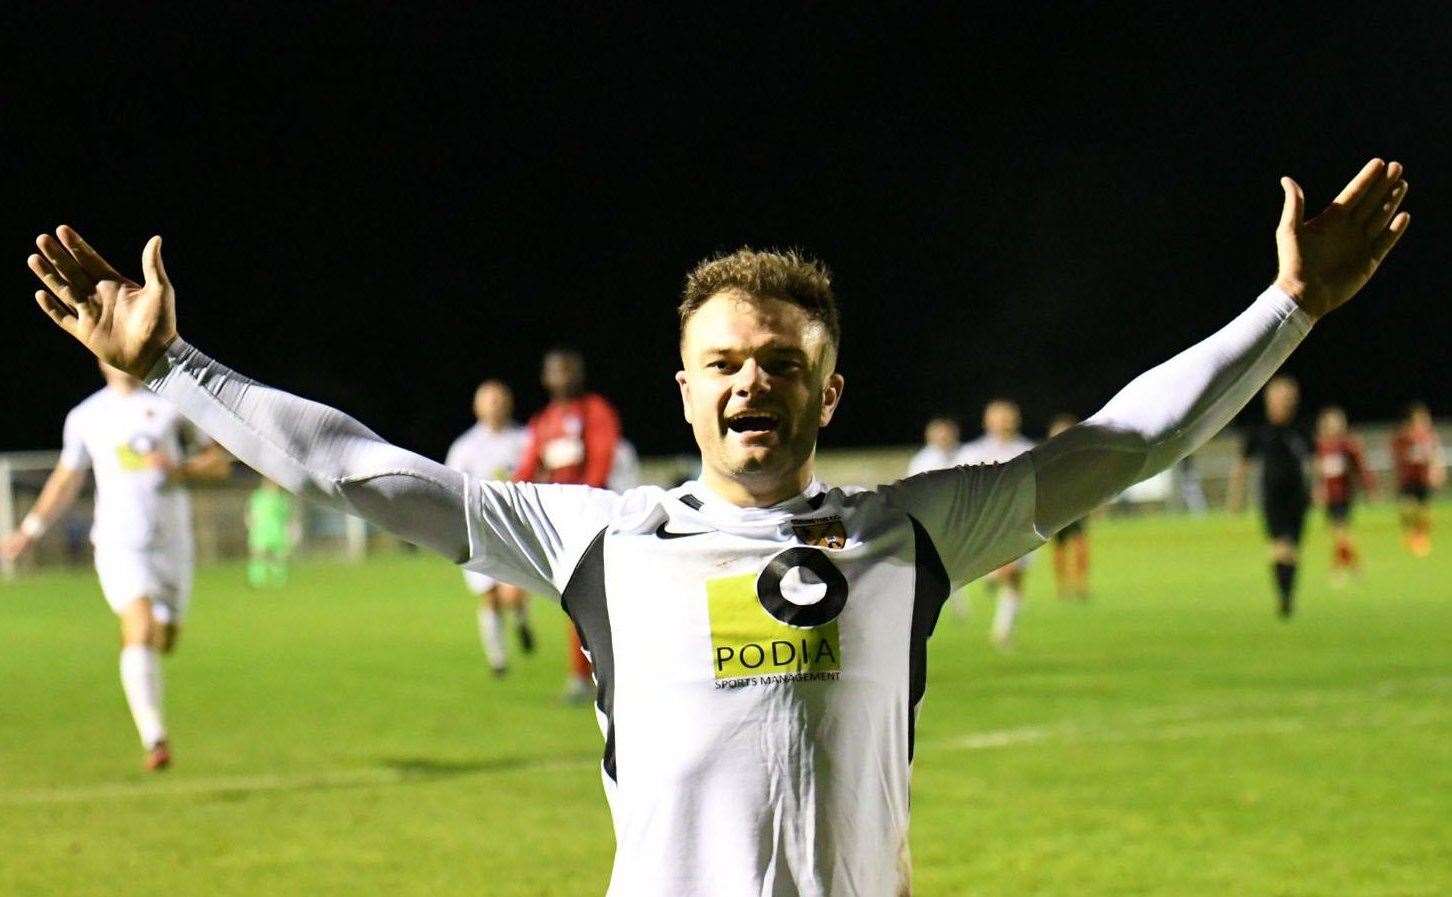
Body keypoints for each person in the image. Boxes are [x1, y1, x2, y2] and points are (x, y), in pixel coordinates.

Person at [23, 157, 1408, 896]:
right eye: (728, 361)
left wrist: (1289, 311)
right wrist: (170, 372)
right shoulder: (598, 541)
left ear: (828, 387)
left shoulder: (911, 531)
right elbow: (352, 470)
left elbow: (1126, 441)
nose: (755, 379)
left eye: (786, 360)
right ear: (684, 388)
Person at [1, 362, 230, 770]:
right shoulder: (86, 416)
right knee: (138, 626)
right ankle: (155, 739)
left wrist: (180, 469)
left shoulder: (171, 407)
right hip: (118, 543)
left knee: (165, 636)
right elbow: (66, 479)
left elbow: (219, 462)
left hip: (173, 544)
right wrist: (30, 529)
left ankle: (153, 679)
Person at [515, 348, 621, 702]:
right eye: (557, 370)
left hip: (594, 520)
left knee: (593, 603)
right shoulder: (543, 422)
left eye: (570, 369)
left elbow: (600, 465)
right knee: (579, 604)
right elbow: (528, 469)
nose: (565, 376)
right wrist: (509, 501)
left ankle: (595, 678)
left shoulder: (595, 411)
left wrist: (582, 506)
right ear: (546, 378)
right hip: (561, 523)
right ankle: (584, 677)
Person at [445, 379, 534, 674]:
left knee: (513, 593)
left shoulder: (525, 438)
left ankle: (520, 619)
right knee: (490, 597)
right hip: (479, 529)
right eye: (488, 400)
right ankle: (498, 660)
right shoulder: (465, 447)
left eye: (499, 399)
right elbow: (450, 486)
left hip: (518, 528)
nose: (495, 405)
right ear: (477, 406)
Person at [1228, 376, 1312, 618]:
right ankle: (1284, 598)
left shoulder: (1300, 428)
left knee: (1293, 550)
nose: (1283, 402)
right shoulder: (1260, 430)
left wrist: (1318, 488)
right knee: (1280, 548)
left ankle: (1288, 594)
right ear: (1268, 400)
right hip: (1272, 498)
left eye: (1288, 398)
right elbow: (1242, 465)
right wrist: (1236, 498)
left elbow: (1313, 460)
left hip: (1298, 498)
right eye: (1278, 397)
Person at [956, 399, 1036, 647]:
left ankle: (1003, 631)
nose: (1003, 422)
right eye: (998, 417)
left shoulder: (1028, 450)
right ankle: (989, 573)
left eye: (1008, 417)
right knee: (1008, 570)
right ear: (987, 421)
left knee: (1016, 580)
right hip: (984, 523)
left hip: (1019, 522)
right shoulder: (972, 452)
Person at [1312, 406, 1375, 583]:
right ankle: (1354, 567)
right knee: (1337, 534)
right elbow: (1319, 472)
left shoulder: (1347, 445)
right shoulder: (1320, 445)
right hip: (1329, 496)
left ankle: (1340, 569)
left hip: (1344, 495)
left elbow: (1361, 468)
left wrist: (1368, 488)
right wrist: (1318, 489)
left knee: (1341, 533)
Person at [1390, 402, 1446, 556]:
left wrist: (1438, 471)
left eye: (1425, 419)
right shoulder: (1404, 436)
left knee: (1423, 511)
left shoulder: (1430, 436)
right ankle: (1411, 533)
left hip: (1423, 479)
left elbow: (1436, 455)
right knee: (1406, 509)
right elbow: (1396, 453)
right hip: (1408, 479)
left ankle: (1421, 538)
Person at [1047, 413, 1091, 600]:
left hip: (1078, 507)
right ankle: (1062, 587)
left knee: (1081, 546)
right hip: (1057, 508)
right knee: (1060, 548)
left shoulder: (1081, 456)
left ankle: (1081, 585)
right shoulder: (1047, 458)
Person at [246, 478, 298, 587]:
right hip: (260, 529)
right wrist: (250, 524)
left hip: (277, 529)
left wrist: (291, 529)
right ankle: (257, 580)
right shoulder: (258, 497)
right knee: (258, 553)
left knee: (278, 555)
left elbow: (288, 516)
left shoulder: (281, 498)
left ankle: (279, 580)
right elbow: (250, 512)